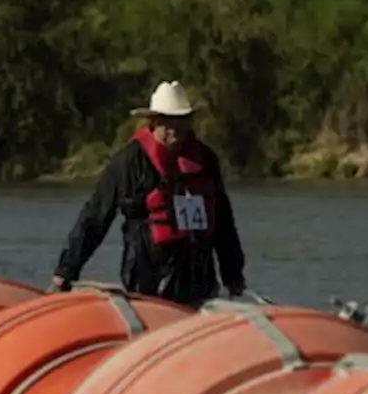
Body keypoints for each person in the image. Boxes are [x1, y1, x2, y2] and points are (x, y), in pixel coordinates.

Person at [50, 80, 247, 307]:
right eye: (168, 121)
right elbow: (95, 216)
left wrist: (234, 278)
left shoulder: (204, 160)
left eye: (181, 120)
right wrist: (66, 269)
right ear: (153, 122)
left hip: (198, 283)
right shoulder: (128, 162)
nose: (176, 127)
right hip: (147, 282)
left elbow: (223, 222)